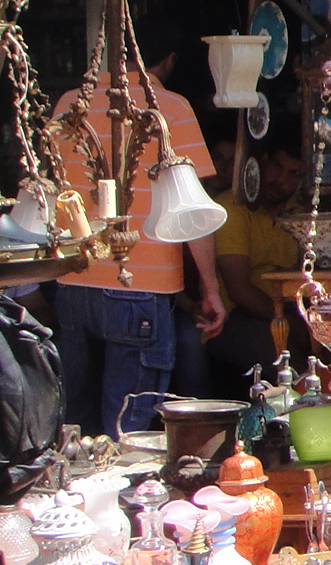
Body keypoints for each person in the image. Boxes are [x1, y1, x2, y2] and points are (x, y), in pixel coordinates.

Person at [47, 23, 225, 436]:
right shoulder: (170, 109)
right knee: (127, 427)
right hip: (141, 286)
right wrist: (210, 288)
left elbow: (51, 188)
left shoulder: (69, 104)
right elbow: (193, 212)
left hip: (74, 276)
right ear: (167, 61)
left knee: (74, 421)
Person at [207, 142, 305, 389]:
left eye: (293, 174)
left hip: (291, 312)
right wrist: (294, 326)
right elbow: (239, 292)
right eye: (276, 166)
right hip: (231, 319)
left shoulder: (300, 212)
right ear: (259, 161)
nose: (281, 179)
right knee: (290, 362)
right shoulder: (232, 206)